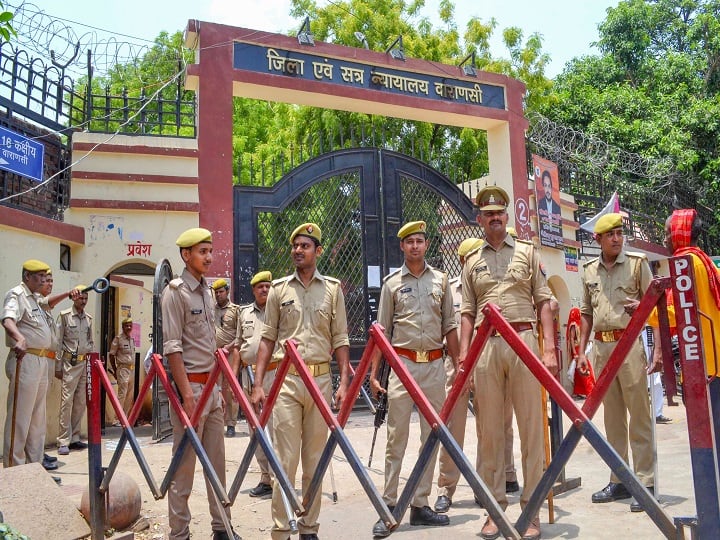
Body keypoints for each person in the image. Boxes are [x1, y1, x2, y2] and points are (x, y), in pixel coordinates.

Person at [460, 186, 557, 540]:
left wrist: (548, 350)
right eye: (488, 214)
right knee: (490, 433)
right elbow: (467, 313)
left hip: (524, 343)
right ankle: (493, 510)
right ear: (480, 220)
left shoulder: (528, 254)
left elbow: (544, 300)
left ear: (506, 216)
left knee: (532, 428)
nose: (495, 217)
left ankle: (530, 511)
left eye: (500, 212)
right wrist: (464, 358)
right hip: (486, 347)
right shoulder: (472, 262)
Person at [251, 223, 350, 540]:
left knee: (314, 461)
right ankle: (281, 529)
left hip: (320, 382)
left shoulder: (333, 290)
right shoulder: (279, 290)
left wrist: (345, 383)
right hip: (287, 384)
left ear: (317, 251)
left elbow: (341, 340)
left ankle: (309, 527)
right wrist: (257, 383)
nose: (297, 250)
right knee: (285, 460)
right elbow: (267, 339)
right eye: (294, 246)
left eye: (304, 246)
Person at [369, 220, 459, 537]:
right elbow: (381, 332)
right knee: (396, 439)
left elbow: (450, 326)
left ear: (426, 244)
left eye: (420, 240)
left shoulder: (442, 281)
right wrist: (373, 373)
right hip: (402, 367)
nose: (416, 246)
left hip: (435, 366)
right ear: (402, 247)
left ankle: (420, 505)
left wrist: (458, 365)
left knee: (430, 437)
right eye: (410, 242)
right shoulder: (392, 285)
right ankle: (389, 506)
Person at [161, 227, 239, 540]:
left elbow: (209, 341)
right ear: (186, 255)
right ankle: (179, 533)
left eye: (210, 250)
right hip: (190, 389)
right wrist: (186, 396)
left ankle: (222, 527)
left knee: (216, 463)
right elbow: (173, 348)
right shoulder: (175, 292)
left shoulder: (207, 292)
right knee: (183, 468)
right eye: (202, 251)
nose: (209, 257)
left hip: (212, 389)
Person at [433, 237, 521, 514]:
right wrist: (461, 360)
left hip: (487, 363)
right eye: (472, 256)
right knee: (451, 427)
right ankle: (446, 487)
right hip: (457, 367)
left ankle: (484, 485)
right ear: (462, 260)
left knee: (490, 427)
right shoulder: (451, 289)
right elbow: (446, 327)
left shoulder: (490, 286)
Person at [577, 213, 656, 513]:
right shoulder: (588, 270)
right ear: (597, 239)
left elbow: (656, 303)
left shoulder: (637, 264)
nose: (616, 238)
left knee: (639, 414)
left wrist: (644, 310)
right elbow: (585, 312)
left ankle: (645, 482)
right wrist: (580, 351)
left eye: (619, 233)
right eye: (610, 234)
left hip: (629, 343)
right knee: (611, 418)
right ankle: (620, 479)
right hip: (601, 347)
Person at [649, 209, 720, 447]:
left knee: (709, 443)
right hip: (714, 364)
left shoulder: (685, 264)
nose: (665, 239)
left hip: (704, 370)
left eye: (668, 233)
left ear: (679, 234)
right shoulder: (704, 261)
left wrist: (643, 311)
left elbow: (678, 314)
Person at [2, 260, 56, 470]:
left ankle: (34, 468)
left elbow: (50, 304)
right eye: (38, 277)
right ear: (27, 277)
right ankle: (14, 468)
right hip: (25, 360)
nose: (43, 280)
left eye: (45, 276)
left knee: (37, 420)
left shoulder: (36, 299)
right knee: (20, 418)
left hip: (41, 361)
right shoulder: (17, 294)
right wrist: (19, 338)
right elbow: (7, 319)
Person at [238, 270, 274, 498]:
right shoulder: (244, 314)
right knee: (256, 430)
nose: (264, 289)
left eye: (267, 286)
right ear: (253, 290)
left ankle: (279, 476)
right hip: (248, 376)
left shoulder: (278, 311)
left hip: (272, 374)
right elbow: (237, 345)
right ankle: (266, 478)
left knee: (274, 427)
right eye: (260, 286)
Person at [55, 285, 93, 455]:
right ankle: (63, 440)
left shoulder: (88, 319)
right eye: (80, 298)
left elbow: (90, 343)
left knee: (80, 402)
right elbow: (58, 343)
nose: (83, 301)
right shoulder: (64, 316)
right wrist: (57, 366)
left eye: (86, 298)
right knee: (66, 402)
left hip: (84, 364)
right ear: (74, 298)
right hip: (69, 365)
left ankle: (75, 438)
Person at [211, 278, 242, 438]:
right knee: (214, 389)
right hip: (214, 355)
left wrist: (228, 348)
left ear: (227, 292)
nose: (218, 295)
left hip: (230, 355)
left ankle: (231, 424)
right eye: (216, 292)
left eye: (221, 291)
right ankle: (217, 424)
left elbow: (240, 335)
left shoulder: (235, 310)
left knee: (230, 389)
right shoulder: (211, 309)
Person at [109, 317, 136, 417]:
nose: (129, 327)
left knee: (130, 395)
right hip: (123, 369)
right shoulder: (118, 339)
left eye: (130, 325)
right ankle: (117, 418)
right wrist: (115, 370)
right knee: (122, 394)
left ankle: (124, 417)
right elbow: (111, 355)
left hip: (132, 369)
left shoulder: (132, 339)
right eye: (126, 326)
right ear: (122, 327)